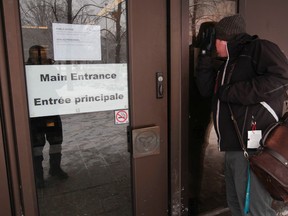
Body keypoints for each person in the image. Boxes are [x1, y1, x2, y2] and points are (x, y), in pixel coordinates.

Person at [196, 14, 288, 215]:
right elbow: (205, 89)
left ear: (223, 39)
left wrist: (232, 92)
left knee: (254, 208)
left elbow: (281, 77)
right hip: (233, 146)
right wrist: (203, 54)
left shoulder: (259, 48)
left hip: (253, 147)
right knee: (236, 203)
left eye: (214, 42)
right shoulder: (229, 64)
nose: (213, 47)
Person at [27, 45, 68, 188]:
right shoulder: (26, 69)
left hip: (51, 110)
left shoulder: (49, 67)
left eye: (42, 54)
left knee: (56, 141)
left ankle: (55, 168)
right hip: (35, 113)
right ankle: (38, 176)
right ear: (31, 55)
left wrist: (50, 69)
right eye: (37, 54)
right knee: (36, 146)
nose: (40, 57)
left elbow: (61, 83)